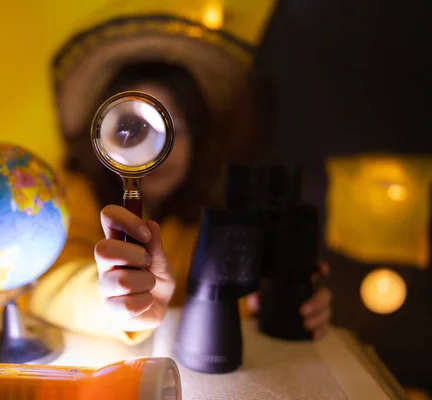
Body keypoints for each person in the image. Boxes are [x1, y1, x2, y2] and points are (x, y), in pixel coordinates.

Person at [28, 10, 331, 344]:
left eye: (175, 129)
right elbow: (52, 285)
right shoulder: (70, 198)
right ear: (102, 134)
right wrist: (110, 297)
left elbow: (236, 298)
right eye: (133, 128)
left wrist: (274, 299)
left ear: (199, 140)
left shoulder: (213, 219)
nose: (155, 152)